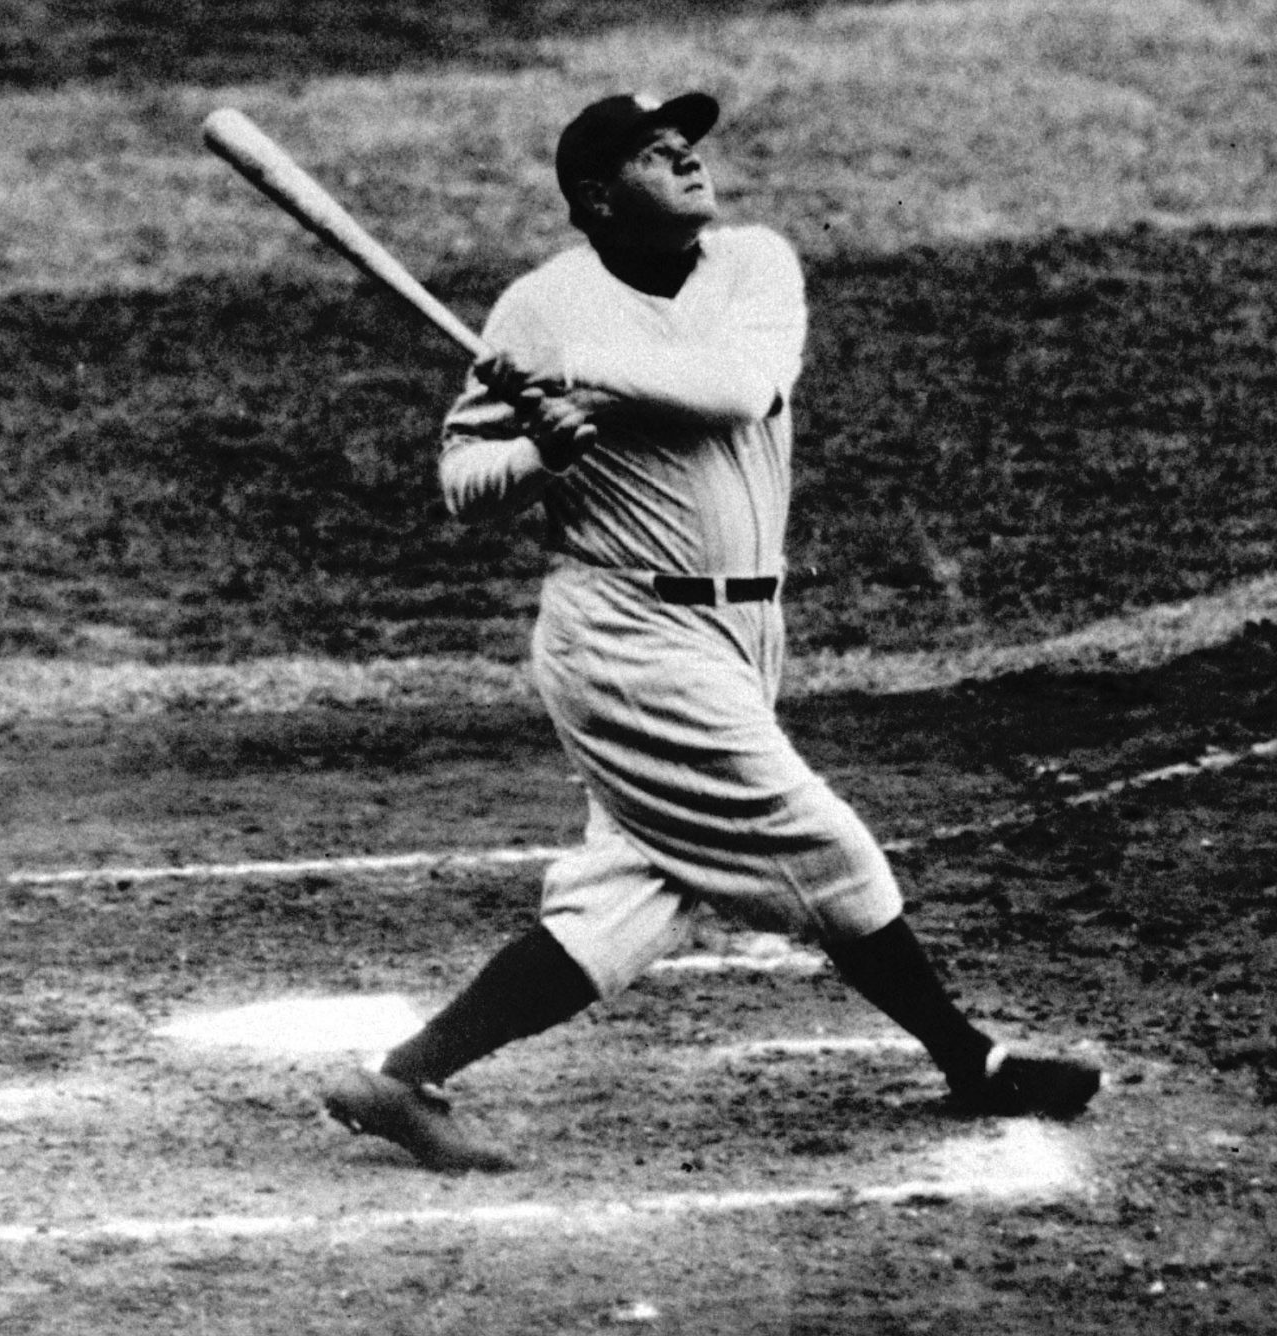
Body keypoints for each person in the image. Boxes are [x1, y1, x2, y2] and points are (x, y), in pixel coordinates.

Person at [320, 91, 1102, 1172]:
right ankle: (970, 1062)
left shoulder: (753, 265)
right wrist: (542, 452)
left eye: (683, 142)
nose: (686, 155)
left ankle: (398, 1078)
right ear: (597, 197)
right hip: (627, 632)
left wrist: (580, 386)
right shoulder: (539, 310)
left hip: (742, 633)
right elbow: (463, 484)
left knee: (633, 899)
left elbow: (737, 389)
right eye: (652, 151)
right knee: (823, 847)